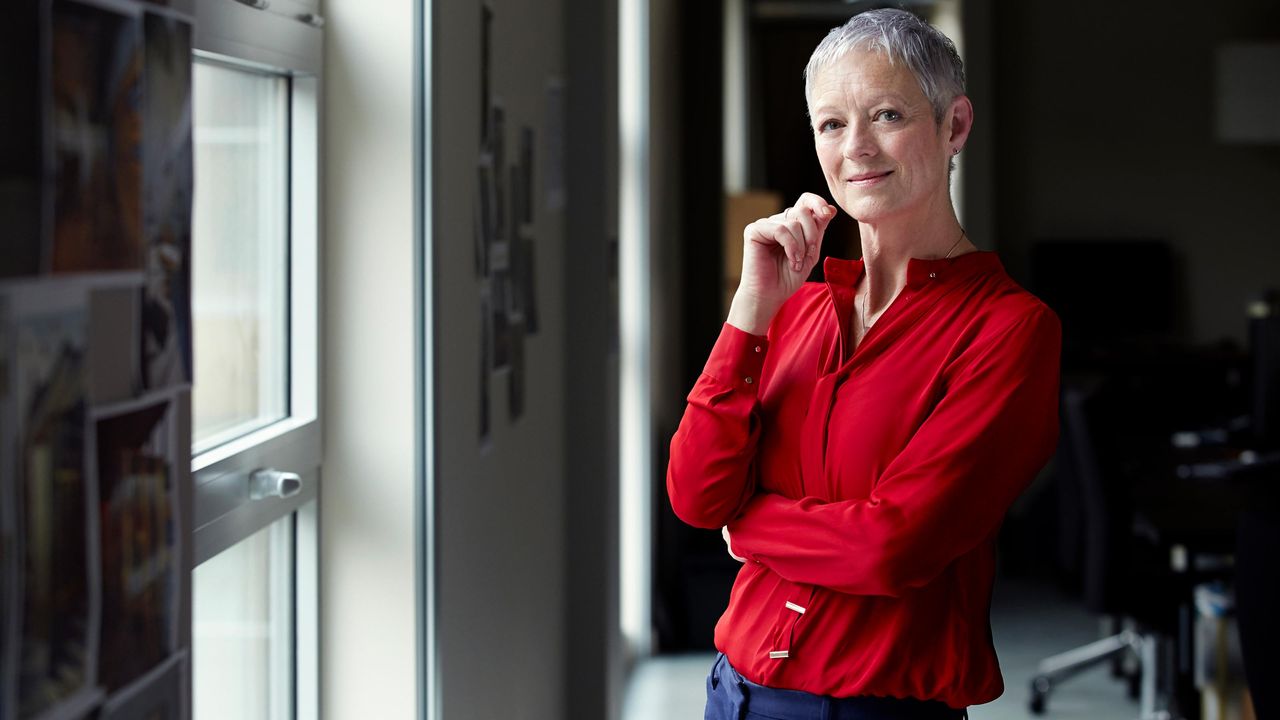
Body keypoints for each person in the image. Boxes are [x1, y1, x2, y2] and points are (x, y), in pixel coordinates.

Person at [666, 9, 1062, 719]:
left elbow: (893, 546)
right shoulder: (794, 311)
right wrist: (749, 311)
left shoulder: (1010, 330)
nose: (857, 148)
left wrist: (750, 529)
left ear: (956, 126)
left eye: (886, 114)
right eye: (831, 124)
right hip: (733, 696)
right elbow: (697, 495)